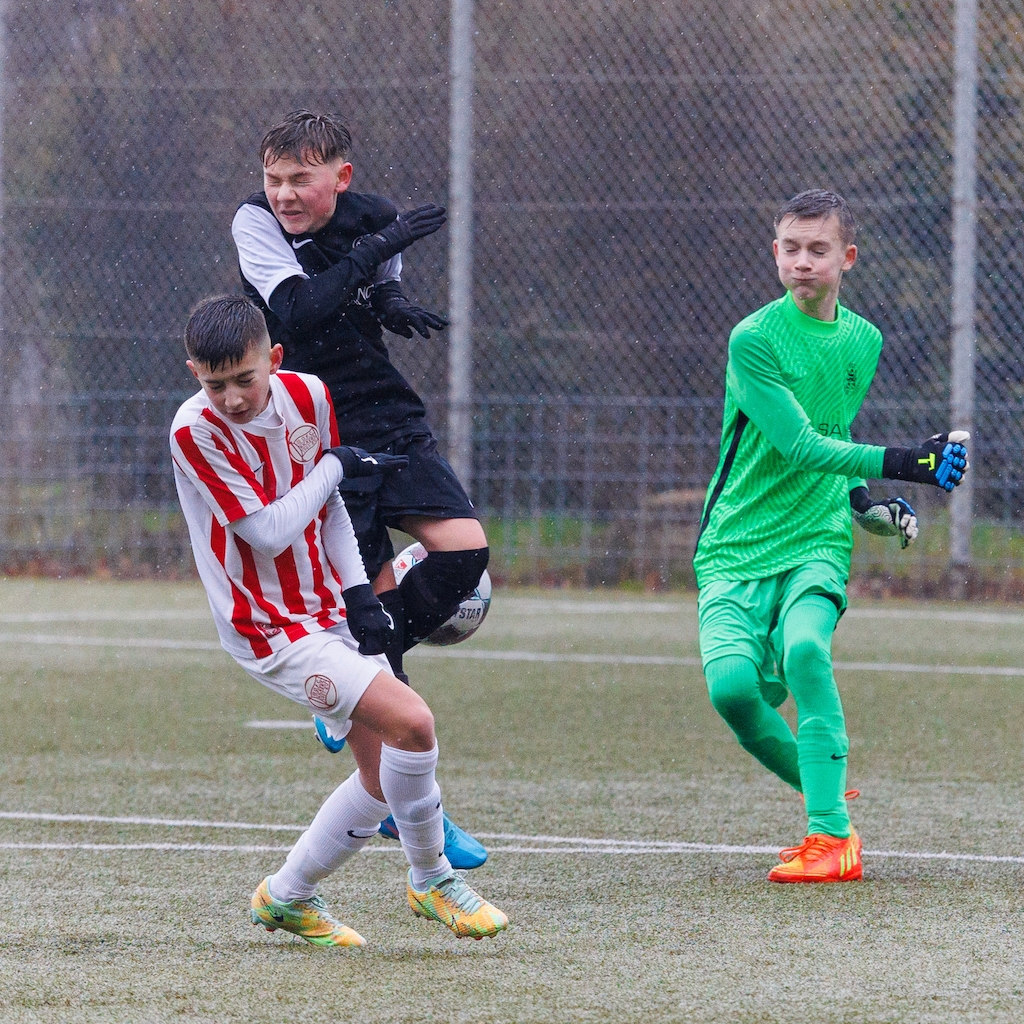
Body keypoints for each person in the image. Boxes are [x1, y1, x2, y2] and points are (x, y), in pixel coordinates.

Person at [170, 295, 507, 946]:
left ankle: (287, 896)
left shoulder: (311, 397)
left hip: (327, 604)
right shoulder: (195, 431)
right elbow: (268, 532)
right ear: (194, 374)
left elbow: (330, 510)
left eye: (244, 379)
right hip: (267, 626)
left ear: (274, 358)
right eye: (215, 385)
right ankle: (432, 880)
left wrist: (359, 596)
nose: (232, 398)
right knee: (413, 723)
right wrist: (335, 467)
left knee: (381, 780)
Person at [231, 109, 488, 867]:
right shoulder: (254, 223)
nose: (283, 193)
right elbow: (297, 309)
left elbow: (369, 293)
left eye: (300, 179)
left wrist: (393, 301)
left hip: (381, 405)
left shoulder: (373, 215)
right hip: (312, 421)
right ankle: (413, 816)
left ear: (340, 178)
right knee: (367, 600)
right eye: (274, 178)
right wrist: (379, 249)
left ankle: (348, 687)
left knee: (463, 552)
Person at [692, 189, 969, 883]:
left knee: (807, 651)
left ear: (847, 258)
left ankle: (831, 836)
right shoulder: (753, 339)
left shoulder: (862, 341)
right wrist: (910, 464)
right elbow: (798, 443)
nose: (801, 262)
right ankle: (825, 790)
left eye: (817, 250)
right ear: (774, 253)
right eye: (790, 248)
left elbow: (833, 435)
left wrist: (865, 506)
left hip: (817, 538)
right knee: (732, 691)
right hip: (734, 543)